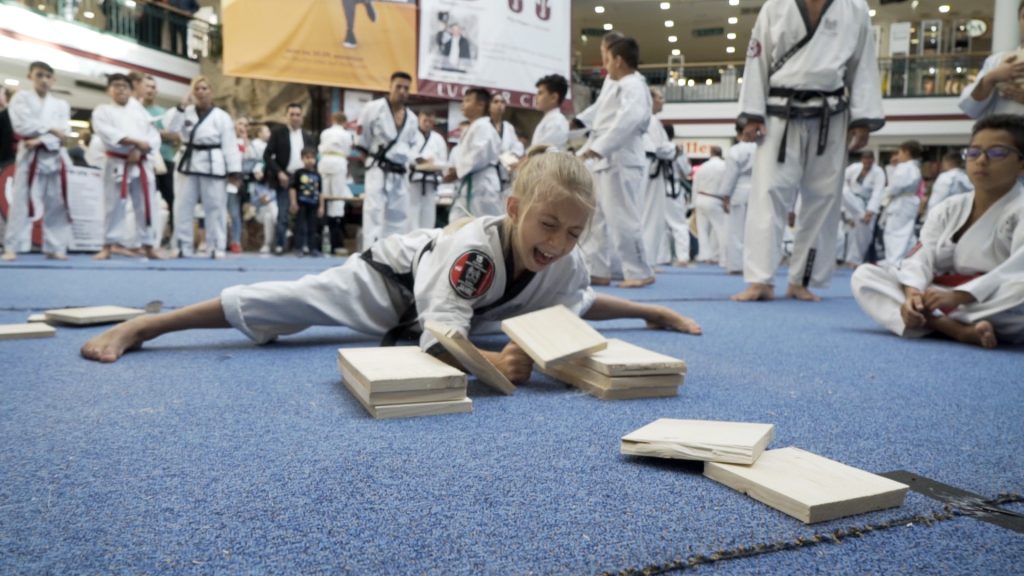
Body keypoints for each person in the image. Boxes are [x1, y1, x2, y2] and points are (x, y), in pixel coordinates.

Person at [80, 148, 703, 373]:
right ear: (514, 209)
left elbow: (581, 303)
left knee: (523, 311)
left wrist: (650, 312)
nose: (560, 242)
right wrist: (493, 362)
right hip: (392, 283)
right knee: (287, 304)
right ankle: (147, 325)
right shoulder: (473, 253)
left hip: (463, 309)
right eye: (548, 225)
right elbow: (440, 338)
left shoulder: (564, 261)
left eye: (575, 230)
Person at [731, 0, 884, 302]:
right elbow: (757, 59)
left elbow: (863, 64)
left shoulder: (854, 8)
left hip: (832, 114)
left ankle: (802, 279)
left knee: (824, 198)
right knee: (768, 194)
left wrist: (862, 118)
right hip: (779, 113)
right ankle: (760, 279)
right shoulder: (776, 6)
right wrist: (751, 113)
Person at [851, 114, 1024, 348]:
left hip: (990, 300)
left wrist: (959, 296)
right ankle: (954, 329)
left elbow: (1016, 272)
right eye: (973, 152)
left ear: (1021, 163)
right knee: (865, 275)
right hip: (940, 295)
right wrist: (913, 293)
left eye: (997, 153)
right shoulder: (950, 207)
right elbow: (921, 256)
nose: (981, 160)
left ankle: (928, 320)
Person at [579, 36, 654, 288]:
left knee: (622, 218)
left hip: (621, 158)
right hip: (606, 158)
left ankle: (639, 271)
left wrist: (598, 148)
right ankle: (599, 269)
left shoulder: (633, 84)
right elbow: (603, 118)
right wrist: (591, 147)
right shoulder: (618, 83)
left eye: (608, 59)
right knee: (597, 218)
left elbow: (629, 120)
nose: (605, 65)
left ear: (619, 60)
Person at [164, 76, 242, 259]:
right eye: (197, 89)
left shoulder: (221, 116)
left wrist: (234, 171)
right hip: (188, 161)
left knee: (215, 206)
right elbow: (171, 129)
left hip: (213, 163)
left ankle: (216, 246)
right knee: (182, 205)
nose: (200, 92)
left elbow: (230, 144)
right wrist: (181, 106)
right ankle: (183, 246)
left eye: (204, 88)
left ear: (211, 92)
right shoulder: (184, 112)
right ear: (192, 92)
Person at [2, 61, 72, 262]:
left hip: (54, 157)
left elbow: (64, 132)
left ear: (54, 79)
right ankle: (12, 246)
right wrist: (50, 130)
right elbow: (22, 127)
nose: (44, 80)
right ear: (30, 76)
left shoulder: (61, 104)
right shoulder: (21, 98)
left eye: (48, 76)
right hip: (29, 158)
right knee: (20, 202)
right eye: (39, 75)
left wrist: (41, 138)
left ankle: (55, 246)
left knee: (56, 203)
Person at [91, 73, 163, 261]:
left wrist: (141, 150)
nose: (121, 89)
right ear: (109, 90)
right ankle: (108, 245)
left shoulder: (139, 110)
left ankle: (148, 245)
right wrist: (135, 143)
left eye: (124, 86)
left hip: (141, 162)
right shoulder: (102, 111)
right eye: (116, 85)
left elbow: (153, 135)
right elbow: (107, 133)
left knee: (146, 206)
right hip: (117, 162)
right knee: (112, 206)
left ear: (131, 90)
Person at [357, 71, 418, 247]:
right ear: (390, 87)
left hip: (399, 172)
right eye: (398, 86)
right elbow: (362, 141)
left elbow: (411, 146)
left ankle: (392, 254)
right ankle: (369, 254)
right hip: (377, 167)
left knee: (398, 215)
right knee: (373, 213)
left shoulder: (412, 119)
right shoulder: (373, 108)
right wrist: (370, 162)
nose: (402, 91)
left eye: (406, 88)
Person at [958, 1, 1024, 119]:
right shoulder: (997, 61)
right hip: (1001, 133)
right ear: (1019, 21)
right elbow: (971, 108)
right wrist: (990, 78)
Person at [264, 103, 315, 254]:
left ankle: (303, 245)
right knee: (283, 213)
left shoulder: (307, 136)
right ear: (287, 116)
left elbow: (312, 157)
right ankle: (280, 244)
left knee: (304, 214)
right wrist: (279, 172)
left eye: (298, 114)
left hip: (304, 178)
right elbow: (267, 155)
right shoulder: (278, 133)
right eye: (292, 114)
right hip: (285, 177)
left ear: (302, 117)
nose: (295, 117)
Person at [446, 87, 501, 219]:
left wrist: (457, 171)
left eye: (468, 101)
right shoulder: (476, 126)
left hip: (482, 185)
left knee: (482, 227)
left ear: (480, 105)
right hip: (474, 182)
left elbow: (478, 156)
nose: (463, 104)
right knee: (460, 223)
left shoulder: (483, 126)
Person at [137, 75, 179, 246]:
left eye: (153, 87)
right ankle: (142, 239)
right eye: (147, 86)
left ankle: (175, 238)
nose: (150, 90)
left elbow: (176, 136)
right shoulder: (134, 110)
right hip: (142, 160)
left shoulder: (164, 113)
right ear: (140, 88)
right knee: (141, 199)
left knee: (172, 199)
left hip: (165, 161)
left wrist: (154, 132)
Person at [641, 87, 679, 267]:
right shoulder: (647, 119)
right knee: (649, 217)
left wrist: (670, 149)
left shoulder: (652, 120)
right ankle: (646, 262)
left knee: (652, 219)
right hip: (649, 171)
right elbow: (658, 148)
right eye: (660, 98)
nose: (663, 101)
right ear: (650, 99)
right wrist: (674, 149)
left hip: (653, 171)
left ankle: (649, 261)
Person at [718, 124, 757, 274]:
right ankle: (753, 266)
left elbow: (731, 175)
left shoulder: (735, 150)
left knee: (735, 231)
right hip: (757, 190)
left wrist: (725, 195)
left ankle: (736, 265)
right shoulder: (761, 148)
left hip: (739, 190)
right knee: (754, 231)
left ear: (738, 133)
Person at [880, 140, 923, 269]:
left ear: (907, 152)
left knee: (895, 234)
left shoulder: (905, 167)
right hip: (907, 202)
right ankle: (905, 261)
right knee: (907, 234)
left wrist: (885, 194)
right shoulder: (913, 167)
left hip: (901, 203)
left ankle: (894, 262)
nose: (898, 156)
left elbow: (894, 187)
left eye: (899, 152)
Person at [839, 150, 886, 266]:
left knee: (864, 233)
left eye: (869, 160)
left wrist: (870, 211)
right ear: (862, 160)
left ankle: (855, 260)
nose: (867, 162)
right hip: (853, 202)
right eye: (865, 160)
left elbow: (878, 191)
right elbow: (841, 177)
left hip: (868, 204)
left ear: (873, 160)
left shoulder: (878, 172)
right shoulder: (855, 167)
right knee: (844, 191)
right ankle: (850, 259)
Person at [319, 111, 355, 248]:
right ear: (344, 122)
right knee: (338, 198)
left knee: (325, 197)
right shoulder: (346, 134)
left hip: (325, 162)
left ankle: (324, 231)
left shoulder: (325, 133)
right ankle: (335, 240)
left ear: (333, 120)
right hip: (339, 162)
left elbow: (321, 148)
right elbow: (347, 151)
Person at [408, 110, 447, 229]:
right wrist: (421, 159)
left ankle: (426, 244)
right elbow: (406, 154)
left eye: (430, 120)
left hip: (431, 182)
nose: (427, 123)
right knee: (412, 216)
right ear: (419, 118)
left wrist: (433, 162)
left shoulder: (438, 139)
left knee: (428, 217)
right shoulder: (411, 135)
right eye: (425, 119)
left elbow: (443, 160)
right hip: (413, 182)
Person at [664, 124, 693, 267]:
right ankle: (682, 257)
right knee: (678, 224)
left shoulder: (654, 146)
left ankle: (662, 257)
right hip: (672, 189)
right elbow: (686, 171)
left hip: (658, 189)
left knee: (659, 225)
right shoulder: (678, 150)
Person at [229, 116, 259, 253]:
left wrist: (245, 140)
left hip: (241, 183)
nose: (242, 127)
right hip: (226, 180)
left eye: (245, 125)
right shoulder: (228, 140)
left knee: (236, 214)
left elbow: (253, 159)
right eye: (240, 123)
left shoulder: (250, 144)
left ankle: (235, 241)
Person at [693, 147, 727, 264]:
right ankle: (723, 257)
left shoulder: (702, 167)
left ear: (711, 154)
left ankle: (704, 255)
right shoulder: (724, 166)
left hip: (700, 198)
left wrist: (693, 204)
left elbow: (695, 185)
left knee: (702, 230)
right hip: (715, 199)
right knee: (721, 229)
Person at [288, 147, 324, 256]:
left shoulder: (318, 175)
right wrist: (293, 202)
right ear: (302, 159)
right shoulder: (298, 173)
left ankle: (313, 248)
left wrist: (321, 207)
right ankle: (298, 248)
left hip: (313, 204)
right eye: (307, 158)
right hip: (301, 203)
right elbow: (293, 188)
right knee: (299, 226)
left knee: (313, 227)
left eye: (312, 158)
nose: (310, 160)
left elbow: (320, 192)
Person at [490, 93, 524, 196]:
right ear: (489, 106)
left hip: (505, 174)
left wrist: (512, 158)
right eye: (496, 102)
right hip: (489, 174)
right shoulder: (483, 125)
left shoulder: (509, 127)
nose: (500, 105)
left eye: (502, 102)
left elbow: (517, 147)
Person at [531, 74, 570, 150]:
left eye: (540, 93)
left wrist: (520, 162)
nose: (536, 97)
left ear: (554, 97)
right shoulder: (549, 119)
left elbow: (539, 151)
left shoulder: (557, 122)